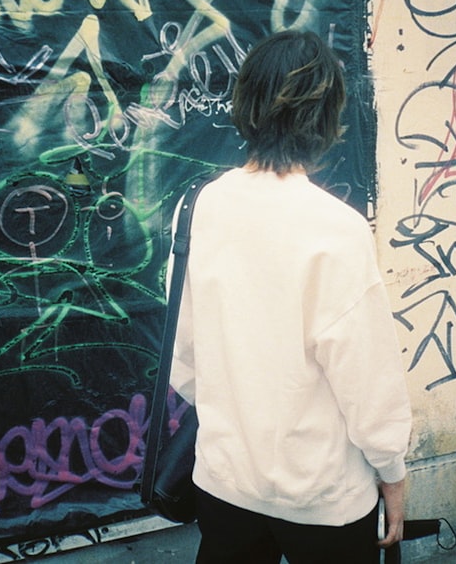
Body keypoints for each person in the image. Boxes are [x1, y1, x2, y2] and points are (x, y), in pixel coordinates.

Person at [169, 30, 412, 563]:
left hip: (225, 481)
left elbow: (182, 360)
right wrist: (392, 473)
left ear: (246, 104)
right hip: (322, 498)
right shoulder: (337, 229)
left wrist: (241, 414)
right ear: (326, 117)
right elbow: (367, 381)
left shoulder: (200, 207)